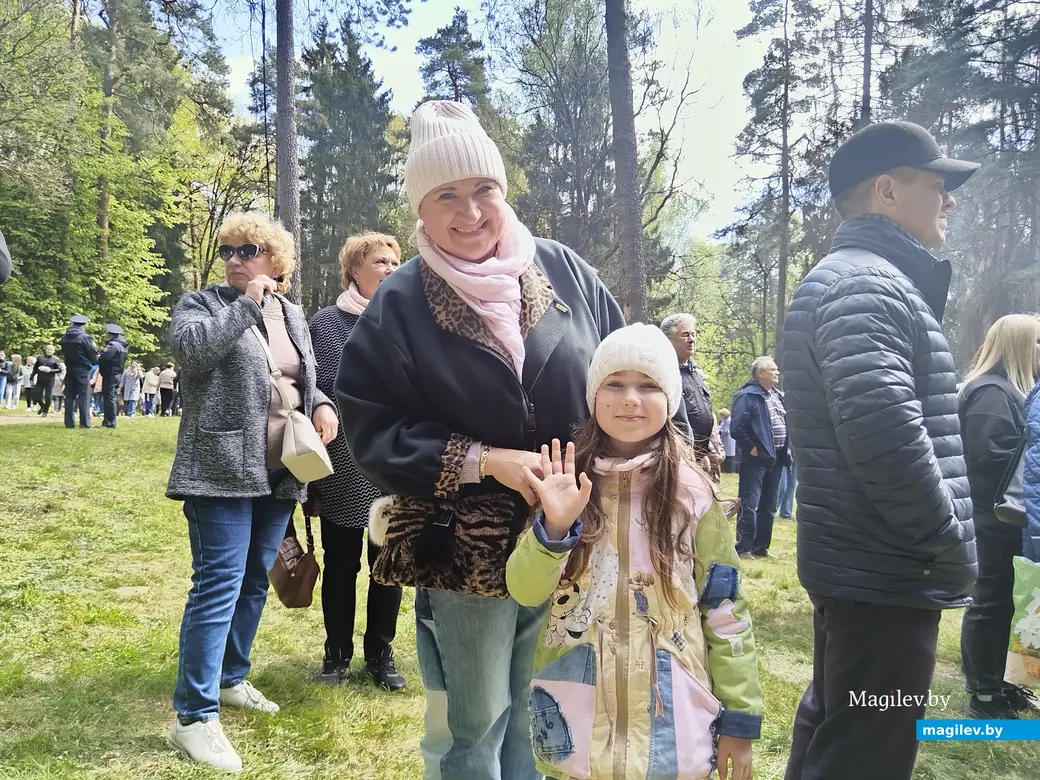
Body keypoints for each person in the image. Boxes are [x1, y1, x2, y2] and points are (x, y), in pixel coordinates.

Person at [338, 100, 625, 780]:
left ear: (503, 192)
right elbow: (370, 424)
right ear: (421, 209)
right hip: (463, 545)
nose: (469, 212)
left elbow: (623, 373)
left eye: (482, 191)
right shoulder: (402, 299)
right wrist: (483, 460)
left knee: (542, 708)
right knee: (471, 721)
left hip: (572, 533)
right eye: (447, 196)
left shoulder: (565, 273)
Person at [781, 120, 978, 780]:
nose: (949, 198)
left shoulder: (858, 279)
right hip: (888, 572)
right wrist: (945, 540)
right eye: (937, 183)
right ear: (888, 192)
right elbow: (883, 433)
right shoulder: (868, 284)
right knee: (867, 755)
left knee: (838, 732)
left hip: (867, 569)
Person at [505, 324, 762, 780]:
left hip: (674, 722)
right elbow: (525, 592)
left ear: (670, 398)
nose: (630, 399)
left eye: (648, 386)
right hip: (575, 723)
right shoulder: (564, 480)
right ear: (593, 396)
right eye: (615, 384)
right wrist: (556, 527)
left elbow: (726, 609)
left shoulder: (694, 493)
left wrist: (740, 721)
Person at [165, 212, 339, 772]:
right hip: (220, 466)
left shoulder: (291, 312)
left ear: (276, 259)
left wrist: (321, 404)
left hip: (279, 469)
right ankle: (193, 715)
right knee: (217, 583)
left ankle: (232, 678)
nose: (237, 259)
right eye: (230, 250)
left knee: (253, 581)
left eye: (251, 249)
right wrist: (244, 306)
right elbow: (190, 353)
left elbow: (300, 375)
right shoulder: (204, 305)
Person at [309, 232, 405, 689]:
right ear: (354, 271)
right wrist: (321, 403)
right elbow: (312, 382)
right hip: (343, 462)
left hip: (393, 460)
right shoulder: (325, 324)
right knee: (342, 563)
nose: (389, 268)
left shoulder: (408, 321)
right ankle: (337, 652)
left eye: (393, 261)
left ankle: (381, 653)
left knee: (388, 563)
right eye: (380, 261)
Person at [959, 315, 1040, 719]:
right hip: (991, 519)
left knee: (1013, 603)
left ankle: (1007, 682)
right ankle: (983, 693)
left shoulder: (1012, 391)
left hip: (1010, 520)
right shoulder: (990, 391)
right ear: (1020, 345)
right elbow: (987, 459)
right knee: (989, 602)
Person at [731, 356, 789, 558]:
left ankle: (761, 546)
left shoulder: (778, 396)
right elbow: (737, 428)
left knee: (769, 504)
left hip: (777, 457)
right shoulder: (747, 396)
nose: (777, 373)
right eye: (773, 369)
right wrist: (751, 447)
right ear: (761, 373)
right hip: (755, 459)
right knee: (750, 503)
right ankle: (744, 546)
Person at [661, 313, 718, 469]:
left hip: (699, 455)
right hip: (676, 456)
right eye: (685, 335)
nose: (692, 339)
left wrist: (708, 451)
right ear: (669, 340)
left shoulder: (696, 374)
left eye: (693, 334)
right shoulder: (665, 373)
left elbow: (706, 414)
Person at [60, 314, 99, 428]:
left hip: (70, 367)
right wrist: (94, 361)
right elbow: (92, 353)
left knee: (70, 396)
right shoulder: (84, 337)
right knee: (84, 396)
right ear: (83, 325)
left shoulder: (65, 337)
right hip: (82, 368)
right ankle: (84, 423)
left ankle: (69, 422)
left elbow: (63, 352)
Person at [98, 324, 128, 428]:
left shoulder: (113, 345)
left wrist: (99, 357)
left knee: (109, 398)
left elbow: (105, 357)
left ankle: (109, 421)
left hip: (111, 374)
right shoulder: (122, 346)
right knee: (111, 397)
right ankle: (110, 421)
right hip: (116, 374)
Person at [31, 345, 62, 417]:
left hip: (49, 380)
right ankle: (42, 406)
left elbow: (59, 369)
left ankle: (45, 411)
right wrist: (32, 376)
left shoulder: (56, 359)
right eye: (48, 349)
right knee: (35, 394)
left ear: (53, 351)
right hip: (40, 379)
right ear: (45, 349)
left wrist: (50, 370)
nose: (49, 351)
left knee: (48, 396)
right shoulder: (40, 358)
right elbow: (35, 368)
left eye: (51, 349)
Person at [718, 407, 737, 473]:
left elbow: (727, 430)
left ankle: (730, 470)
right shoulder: (723, 420)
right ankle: (724, 469)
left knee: (730, 455)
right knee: (724, 453)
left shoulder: (730, 420)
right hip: (724, 438)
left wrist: (721, 431)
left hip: (729, 439)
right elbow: (720, 426)